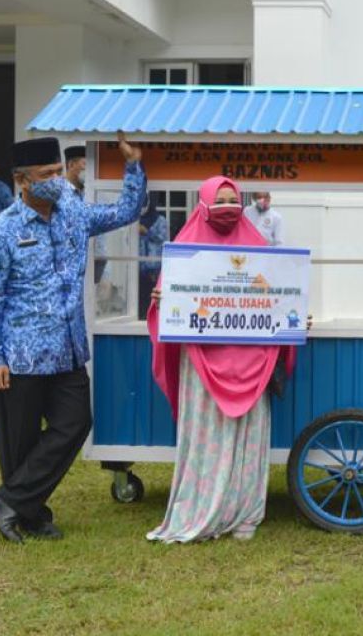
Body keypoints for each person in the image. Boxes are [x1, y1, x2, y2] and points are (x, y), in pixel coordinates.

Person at [0, 133, 146, 543]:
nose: (57, 179)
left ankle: (9, 499)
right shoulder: (0, 232)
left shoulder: (73, 211)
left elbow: (126, 210)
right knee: (19, 445)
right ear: (23, 181)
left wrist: (134, 166)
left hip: (67, 351)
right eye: (47, 174)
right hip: (19, 357)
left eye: (58, 171)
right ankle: (30, 517)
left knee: (76, 423)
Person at [146, 176, 298, 543]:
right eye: (220, 199)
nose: (227, 205)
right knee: (206, 433)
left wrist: (294, 309)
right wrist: (161, 302)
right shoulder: (186, 247)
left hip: (253, 360)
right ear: (203, 203)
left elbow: (279, 291)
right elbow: (169, 302)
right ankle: (203, 507)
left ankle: (244, 511)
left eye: (233, 199)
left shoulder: (258, 243)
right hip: (202, 360)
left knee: (248, 436)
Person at [138, 197, 168, 318]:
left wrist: (147, 232)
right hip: (138, 268)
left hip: (155, 267)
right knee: (140, 301)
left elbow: (163, 239)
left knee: (155, 301)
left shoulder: (160, 220)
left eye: (144, 204)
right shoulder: (135, 220)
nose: (142, 208)